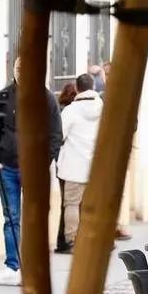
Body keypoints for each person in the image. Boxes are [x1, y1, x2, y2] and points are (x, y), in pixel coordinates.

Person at [0, 57, 63, 287]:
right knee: (11, 218)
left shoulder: (46, 98)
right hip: (7, 166)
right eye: (19, 68)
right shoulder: (3, 97)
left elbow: (55, 135)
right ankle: (12, 266)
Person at [56, 74, 105, 250]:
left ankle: (72, 239)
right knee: (92, 205)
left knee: (72, 204)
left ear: (77, 88)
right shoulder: (103, 108)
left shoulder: (70, 111)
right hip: (96, 166)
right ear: (93, 86)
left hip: (73, 166)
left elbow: (59, 135)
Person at [54, 81, 79, 254]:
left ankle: (62, 240)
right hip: (73, 163)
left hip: (63, 164)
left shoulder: (61, 111)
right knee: (72, 204)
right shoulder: (71, 112)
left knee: (67, 204)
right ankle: (66, 240)